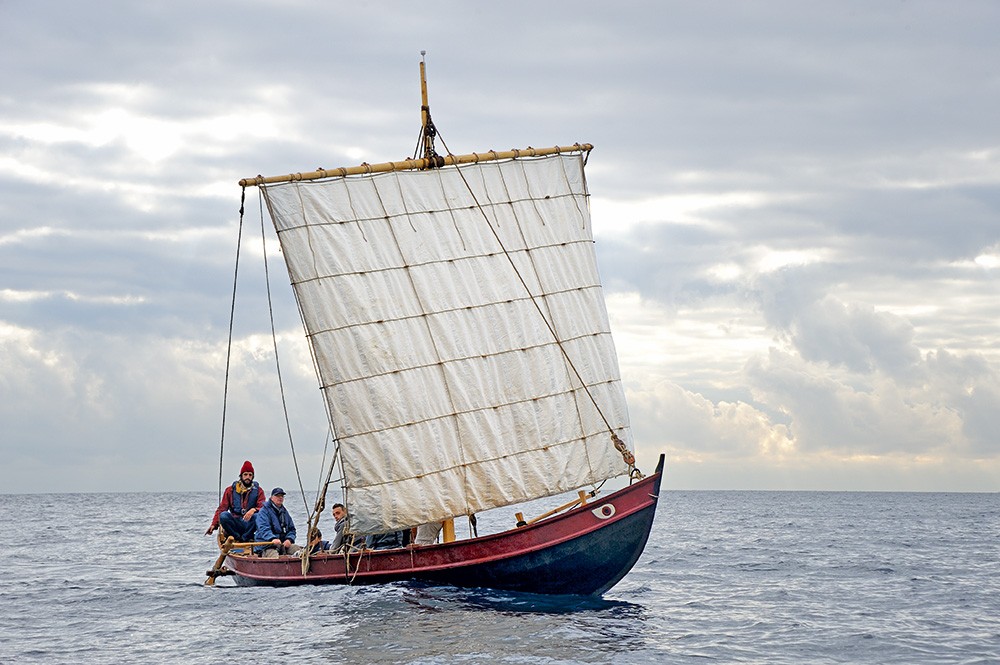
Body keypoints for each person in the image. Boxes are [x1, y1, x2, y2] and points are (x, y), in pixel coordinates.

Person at [205, 460, 264, 542]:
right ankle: (237, 537)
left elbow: (263, 507)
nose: (248, 477)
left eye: (250, 475)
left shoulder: (258, 490)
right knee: (223, 516)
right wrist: (214, 525)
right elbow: (222, 508)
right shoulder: (230, 490)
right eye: (245, 474)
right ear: (241, 476)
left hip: (249, 524)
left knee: (258, 516)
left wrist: (254, 510)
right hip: (236, 522)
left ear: (253, 477)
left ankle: (245, 538)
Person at [255, 487, 300, 557]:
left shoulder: (284, 512)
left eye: (282, 496)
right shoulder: (263, 511)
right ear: (271, 498)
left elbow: (292, 529)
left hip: (282, 545)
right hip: (266, 546)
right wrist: (272, 538)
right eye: (277, 496)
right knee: (275, 556)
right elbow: (263, 528)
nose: (280, 498)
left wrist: (289, 539)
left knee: (299, 551)